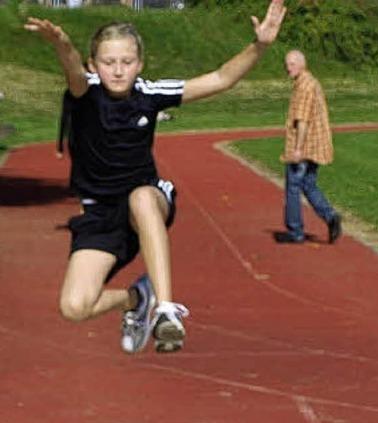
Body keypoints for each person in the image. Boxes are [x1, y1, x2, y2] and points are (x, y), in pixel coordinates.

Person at [24, 0, 286, 353]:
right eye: (108, 62)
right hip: (100, 215)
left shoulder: (150, 94)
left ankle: (165, 309)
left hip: (146, 203)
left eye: (127, 62)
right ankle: (138, 298)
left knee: (141, 196)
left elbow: (222, 78)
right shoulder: (85, 92)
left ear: (140, 65)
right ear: (93, 65)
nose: (118, 70)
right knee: (75, 307)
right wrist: (62, 45)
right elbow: (71, 69)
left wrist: (261, 45)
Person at [276, 50, 341, 244]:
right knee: (308, 184)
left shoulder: (304, 86)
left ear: (302, 63)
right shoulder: (311, 82)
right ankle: (330, 216)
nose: (288, 68)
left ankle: (295, 231)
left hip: (305, 145)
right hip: (315, 144)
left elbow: (302, 120)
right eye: (287, 64)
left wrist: (297, 149)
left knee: (293, 186)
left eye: (292, 63)